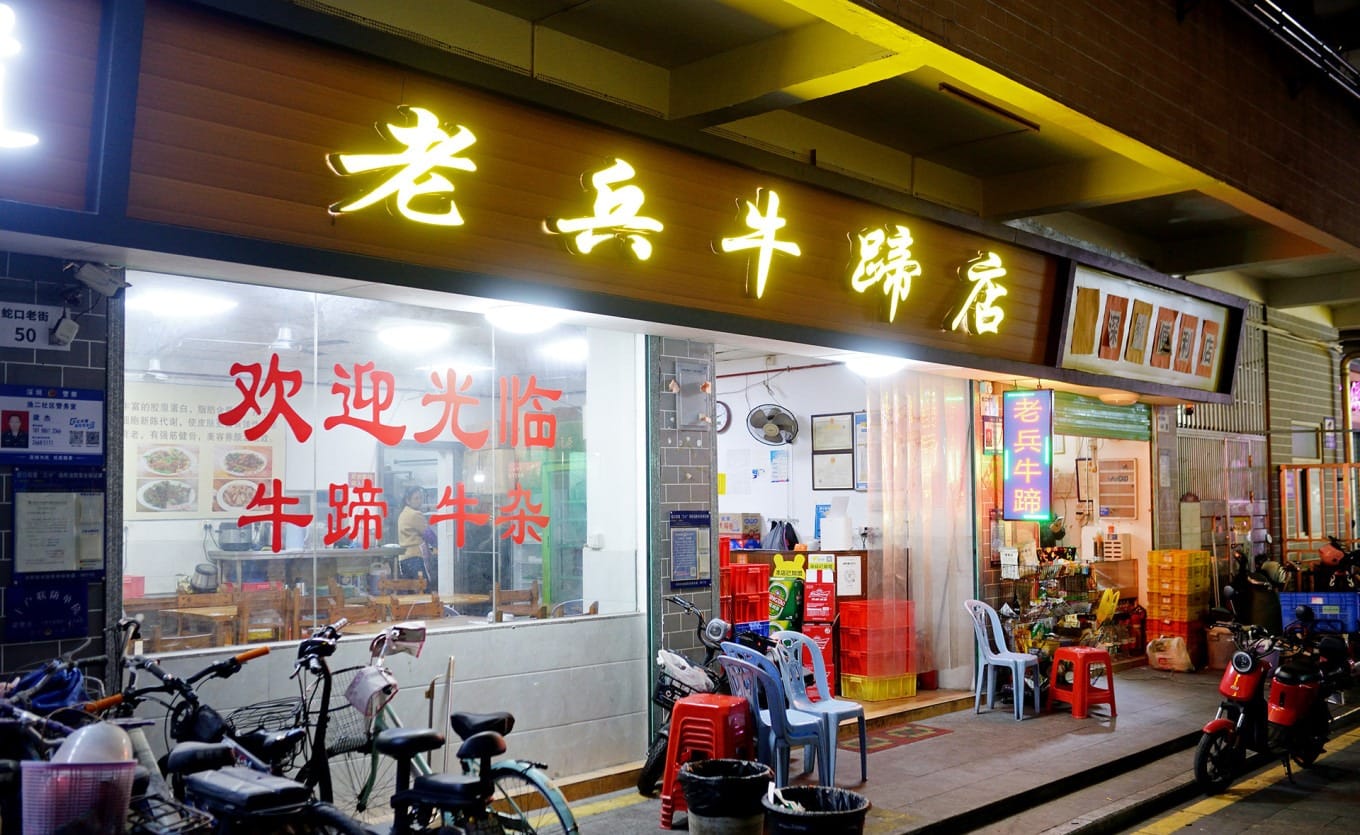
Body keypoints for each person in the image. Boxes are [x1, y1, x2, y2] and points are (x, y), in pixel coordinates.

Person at [397, 486, 436, 591]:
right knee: (424, 589)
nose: (419, 501)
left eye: (421, 498)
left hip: (403, 559)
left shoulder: (403, 513)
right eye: (416, 498)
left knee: (411, 592)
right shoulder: (415, 514)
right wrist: (439, 545)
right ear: (408, 501)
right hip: (416, 557)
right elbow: (428, 535)